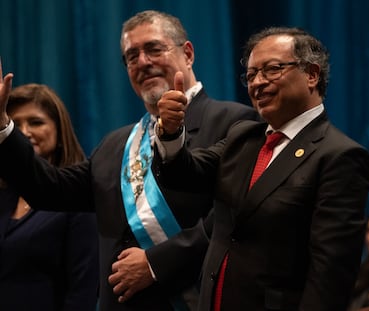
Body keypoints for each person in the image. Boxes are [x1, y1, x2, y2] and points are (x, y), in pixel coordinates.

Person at [0, 10, 259, 311]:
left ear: (187, 54)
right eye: (132, 56)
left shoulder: (236, 122)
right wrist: (3, 125)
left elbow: (235, 219)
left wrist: (155, 263)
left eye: (153, 49)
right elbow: (47, 188)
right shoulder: (116, 144)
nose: (143, 62)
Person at [152, 26, 369, 311]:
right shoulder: (243, 137)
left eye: (271, 69)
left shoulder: (339, 156)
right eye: (251, 75)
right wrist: (171, 133)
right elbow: (184, 177)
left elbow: (330, 273)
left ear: (311, 75)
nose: (257, 83)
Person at [0, 83, 99, 310]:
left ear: (59, 130)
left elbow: (82, 291)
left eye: (36, 122)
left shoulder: (77, 199)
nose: (23, 132)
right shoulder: (4, 195)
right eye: (16, 124)